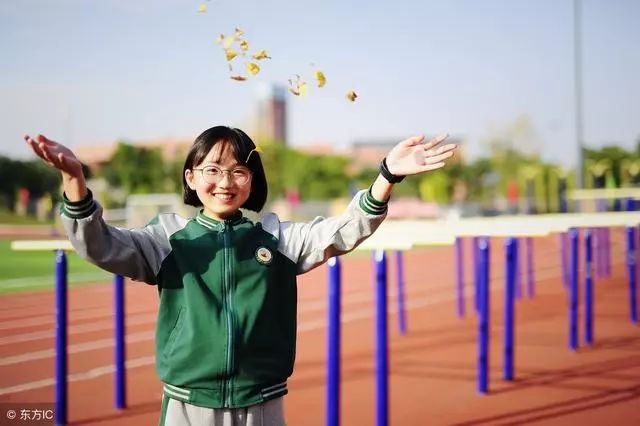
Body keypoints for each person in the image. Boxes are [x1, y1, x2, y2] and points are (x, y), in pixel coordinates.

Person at [25, 126, 456, 426]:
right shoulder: (168, 239)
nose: (224, 181)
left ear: (252, 180)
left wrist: (387, 176)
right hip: (188, 404)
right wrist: (74, 180)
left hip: (262, 404)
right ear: (191, 178)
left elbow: (343, 230)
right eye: (211, 170)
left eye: (237, 171)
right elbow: (99, 243)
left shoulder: (277, 237)